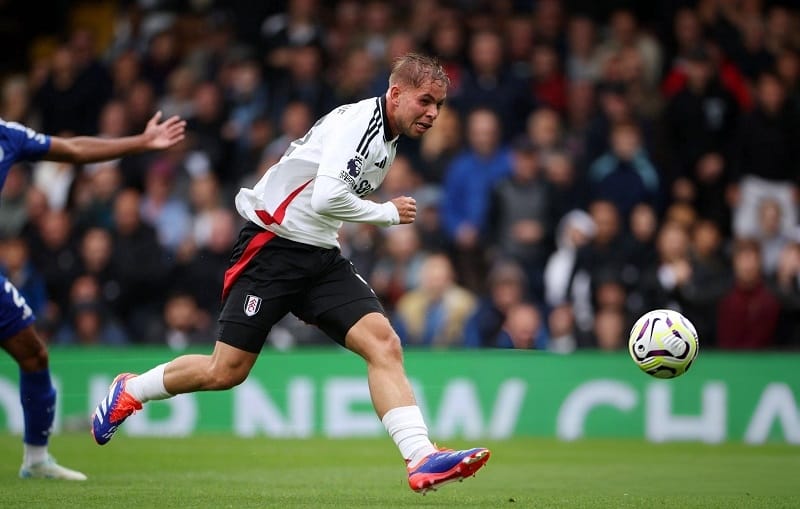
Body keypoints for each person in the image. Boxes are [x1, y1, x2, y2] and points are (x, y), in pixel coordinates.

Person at [91, 53, 490, 494]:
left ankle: (421, 458)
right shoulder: (362, 125)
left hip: (319, 253)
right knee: (225, 370)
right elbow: (324, 198)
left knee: (384, 343)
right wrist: (386, 214)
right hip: (272, 247)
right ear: (396, 94)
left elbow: (323, 205)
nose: (433, 113)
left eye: (439, 105)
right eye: (426, 101)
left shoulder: (387, 137)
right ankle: (132, 389)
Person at [0, 111, 186, 480]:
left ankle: (36, 460)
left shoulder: (7, 135)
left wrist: (140, 141)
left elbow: (73, 149)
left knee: (33, 354)